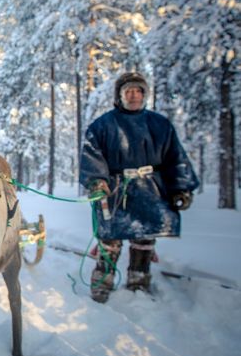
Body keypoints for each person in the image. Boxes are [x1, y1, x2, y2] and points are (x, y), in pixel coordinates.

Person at [79, 72, 199, 303]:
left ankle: (139, 282)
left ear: (145, 94)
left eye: (138, 91)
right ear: (120, 95)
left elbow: (175, 158)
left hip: (150, 190)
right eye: (129, 91)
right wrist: (97, 181)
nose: (134, 95)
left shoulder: (160, 125)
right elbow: (92, 155)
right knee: (109, 239)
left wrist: (180, 188)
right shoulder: (103, 125)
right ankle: (102, 284)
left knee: (144, 238)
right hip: (115, 191)